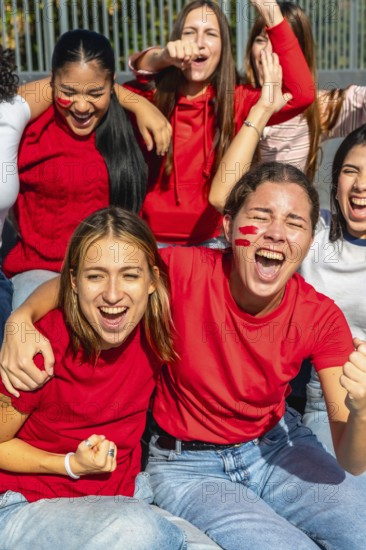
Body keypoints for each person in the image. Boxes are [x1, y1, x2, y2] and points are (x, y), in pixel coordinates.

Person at [3, 165, 366, 549]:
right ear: (227, 227)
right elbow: (95, 275)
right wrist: (21, 318)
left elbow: (353, 460)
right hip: (188, 463)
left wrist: (361, 412)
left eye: (294, 222)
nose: (276, 232)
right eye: (260, 216)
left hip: (273, 445)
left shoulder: (321, 317)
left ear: (310, 240)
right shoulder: (179, 271)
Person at [0, 206, 225, 550]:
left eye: (130, 276)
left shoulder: (156, 327)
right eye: (96, 276)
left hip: (125, 499)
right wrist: (68, 465)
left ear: (152, 280)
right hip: (26, 504)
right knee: (144, 533)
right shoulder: (43, 345)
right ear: (74, 281)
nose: (113, 294)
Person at [2, 29, 172, 309]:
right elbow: (14, 103)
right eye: (67, 92)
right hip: (43, 272)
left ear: (111, 85)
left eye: (95, 93)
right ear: (52, 82)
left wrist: (138, 102)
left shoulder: (134, 125)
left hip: (117, 271)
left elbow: (146, 66)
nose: (81, 106)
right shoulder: (29, 128)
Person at [124, 0, 314, 246]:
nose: (199, 42)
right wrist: (143, 98)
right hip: (148, 241)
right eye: (189, 32)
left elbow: (301, 94)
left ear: (224, 48)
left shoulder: (239, 99)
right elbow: (102, 89)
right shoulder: (151, 95)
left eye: (210, 34)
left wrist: (271, 14)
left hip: (213, 242)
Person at [298, 124, 366, 453]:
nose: (361, 185)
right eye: (351, 171)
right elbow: (226, 200)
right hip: (331, 402)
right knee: (349, 494)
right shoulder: (314, 231)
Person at [243, 1, 366, 181]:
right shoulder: (232, 99)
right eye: (260, 40)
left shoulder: (315, 108)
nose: (266, 52)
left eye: (280, 42)